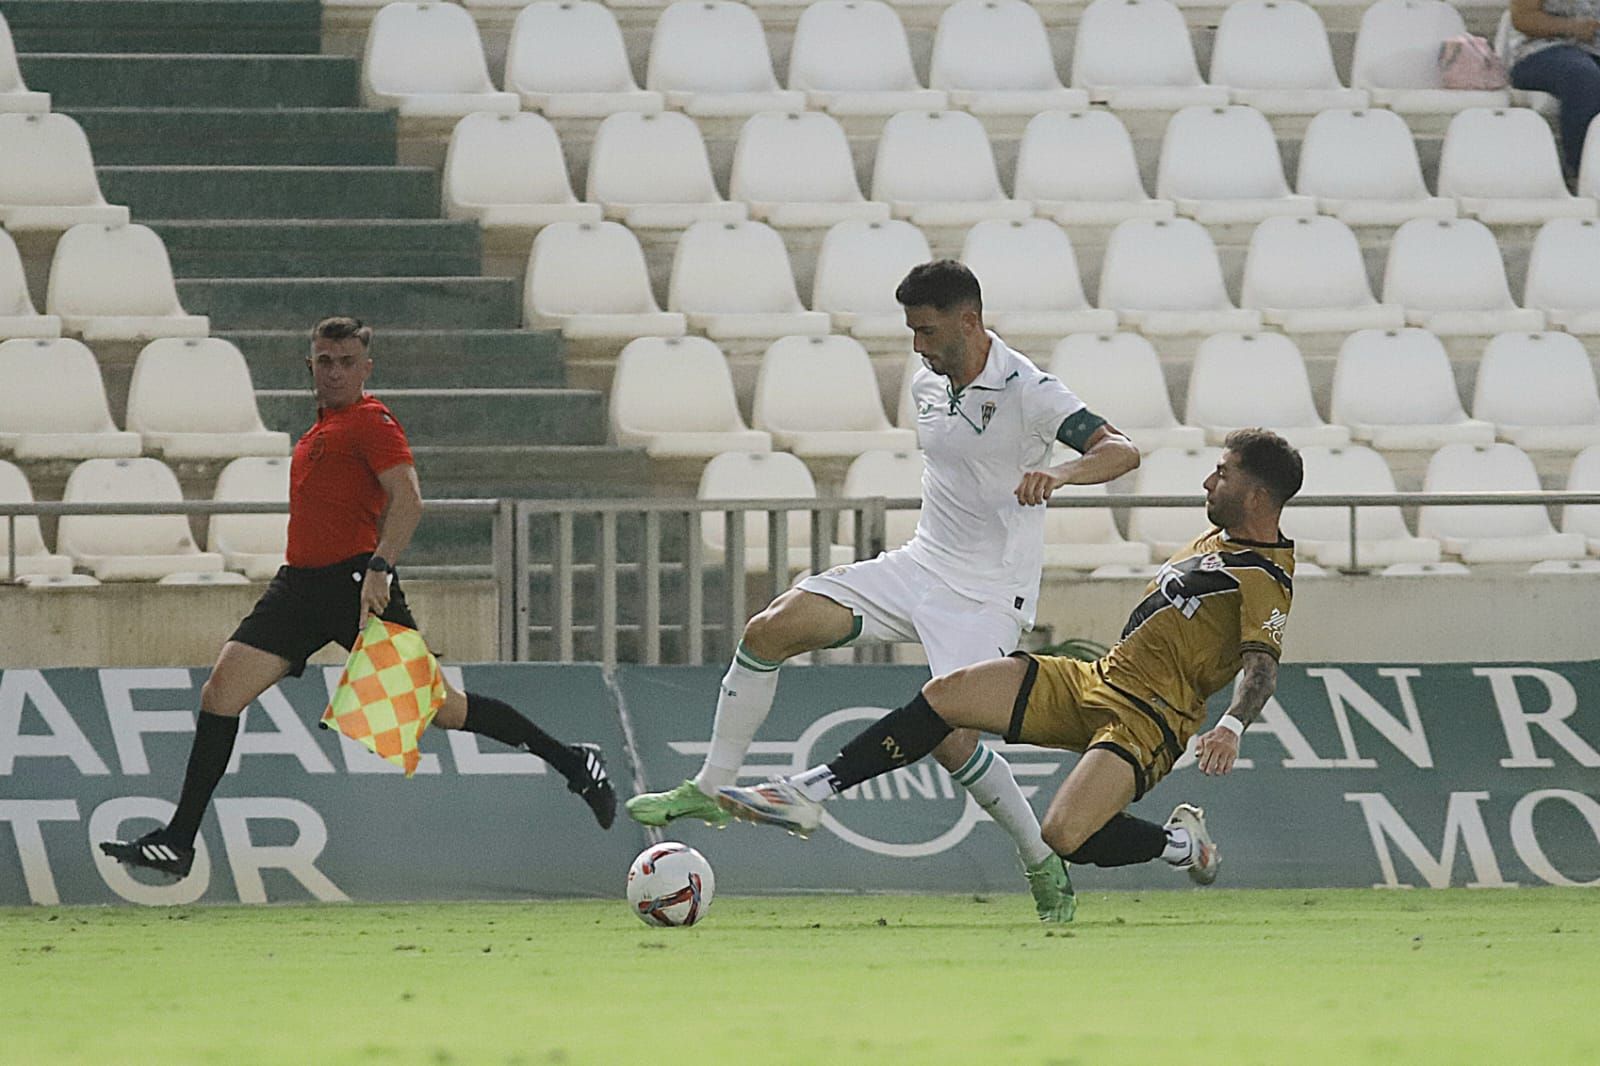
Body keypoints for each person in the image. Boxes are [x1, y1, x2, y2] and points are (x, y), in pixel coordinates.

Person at [626, 261, 1141, 922]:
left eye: (927, 331)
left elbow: (1121, 449)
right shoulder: (928, 378)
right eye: (911, 333)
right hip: (919, 565)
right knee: (770, 628)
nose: (918, 347)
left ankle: (1041, 861)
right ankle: (709, 788)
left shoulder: (1028, 389)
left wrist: (1062, 474)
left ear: (970, 321)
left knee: (950, 733)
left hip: (988, 593)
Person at [100, 317, 615, 880]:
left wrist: (380, 566)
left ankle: (574, 761)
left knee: (442, 709)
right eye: (326, 361)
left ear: (366, 369)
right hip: (297, 588)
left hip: (355, 586)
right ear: (311, 367)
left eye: (348, 362)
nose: (336, 371)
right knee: (221, 692)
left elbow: (409, 500)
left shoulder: (371, 422)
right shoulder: (318, 432)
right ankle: (179, 841)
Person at [716, 429, 1303, 917]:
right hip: (1095, 679)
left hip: (1151, 720)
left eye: (1222, 473)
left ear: (1257, 496)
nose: (1208, 482)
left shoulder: (1267, 580)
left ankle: (1178, 844)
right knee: (947, 696)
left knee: (1065, 836)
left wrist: (1231, 725)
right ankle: (807, 792)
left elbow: (1260, 670)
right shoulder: (1218, 540)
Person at [1508, 0, 1600, 179]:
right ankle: (1581, 172)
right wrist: (1572, 27)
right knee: (1582, 76)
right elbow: (1522, 18)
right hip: (1542, 50)